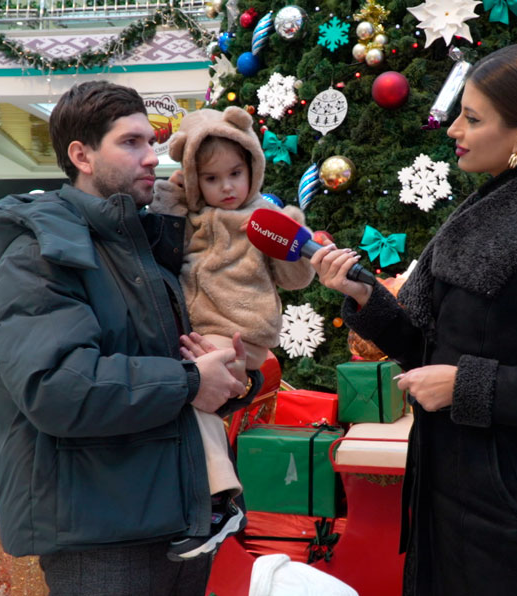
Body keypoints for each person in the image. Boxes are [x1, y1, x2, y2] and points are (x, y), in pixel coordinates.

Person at [310, 44, 517, 595]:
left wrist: (469, 385)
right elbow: (432, 349)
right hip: (450, 504)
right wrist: (365, 297)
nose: (452, 131)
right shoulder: (486, 210)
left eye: (472, 118)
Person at [0, 81, 261, 596]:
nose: (152, 157)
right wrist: (188, 380)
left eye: (151, 141)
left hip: (175, 521)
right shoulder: (39, 255)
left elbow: (172, 371)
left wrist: (224, 376)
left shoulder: (143, 249)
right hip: (100, 539)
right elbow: (57, 386)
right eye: (130, 143)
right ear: (81, 155)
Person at [151, 106, 316, 560]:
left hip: (240, 333)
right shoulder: (193, 219)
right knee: (171, 389)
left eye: (236, 173)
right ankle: (196, 498)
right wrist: (171, 197)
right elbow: (161, 246)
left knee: (194, 386)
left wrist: (296, 240)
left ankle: (221, 500)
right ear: (192, 178)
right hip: (197, 330)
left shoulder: (262, 220)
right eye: (210, 178)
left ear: (253, 169)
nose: (226, 187)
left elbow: (296, 279)